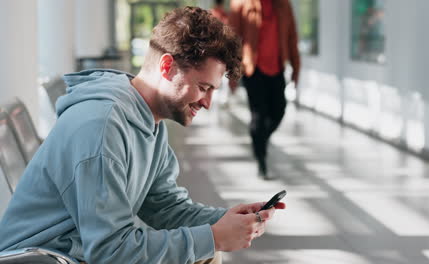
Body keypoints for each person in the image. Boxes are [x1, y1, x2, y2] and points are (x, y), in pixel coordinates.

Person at [0, 7, 285, 264]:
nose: (207, 103)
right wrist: (213, 237)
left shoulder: (147, 118)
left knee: (204, 251)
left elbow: (164, 207)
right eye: (203, 87)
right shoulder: (101, 127)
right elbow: (110, 251)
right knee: (205, 252)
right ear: (166, 66)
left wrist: (225, 221)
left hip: (77, 251)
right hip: (45, 259)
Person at [229, 0, 300, 180]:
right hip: (253, 69)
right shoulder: (241, 4)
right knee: (258, 115)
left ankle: (259, 140)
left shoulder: (283, 5)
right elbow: (233, 38)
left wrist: (296, 67)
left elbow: (292, 37)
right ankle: (261, 160)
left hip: (277, 67)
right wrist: (233, 74)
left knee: (279, 110)